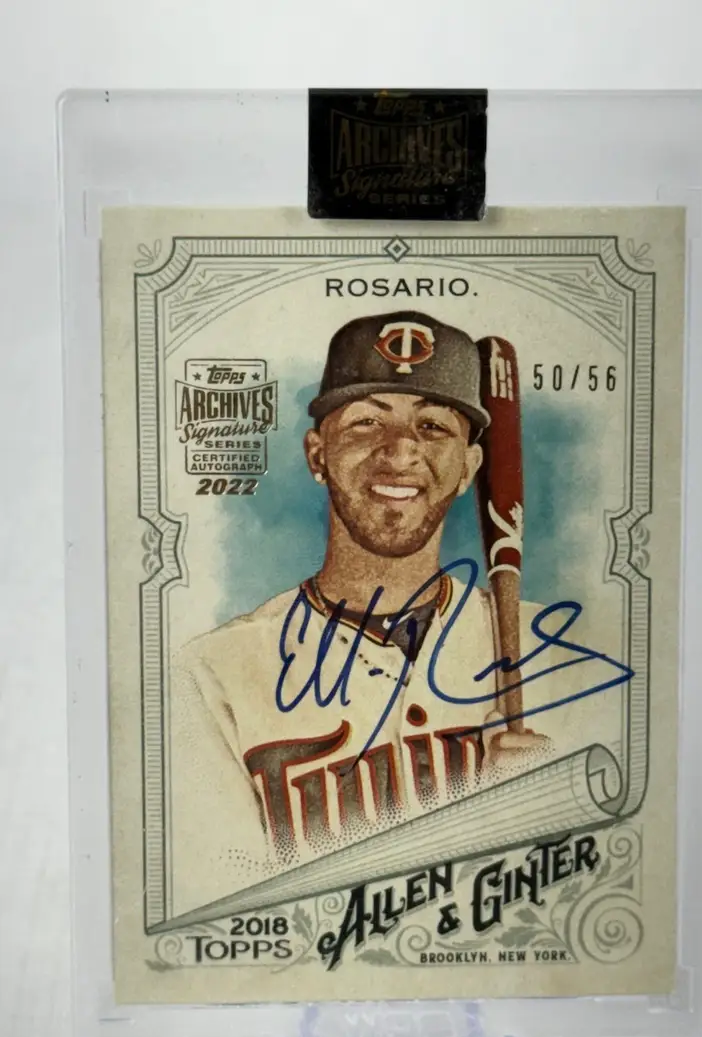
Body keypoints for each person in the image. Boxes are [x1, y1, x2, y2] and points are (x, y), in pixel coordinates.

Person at [170, 311, 594, 915]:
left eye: (433, 426)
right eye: (367, 422)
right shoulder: (212, 675)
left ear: (471, 468)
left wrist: (550, 827)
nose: (401, 451)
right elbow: (224, 905)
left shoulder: (557, 652)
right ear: (317, 454)